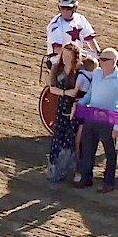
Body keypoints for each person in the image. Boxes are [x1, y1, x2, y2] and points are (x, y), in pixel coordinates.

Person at [73, 48, 118, 193]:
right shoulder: (97, 74)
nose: (100, 62)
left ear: (113, 62)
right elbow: (91, 94)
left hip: (109, 121)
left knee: (109, 152)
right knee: (87, 148)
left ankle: (108, 182)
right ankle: (86, 178)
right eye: (100, 58)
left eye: (103, 60)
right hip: (92, 116)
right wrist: (80, 104)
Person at [46, 42, 82, 182]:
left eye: (69, 56)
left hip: (74, 108)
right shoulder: (57, 68)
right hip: (62, 106)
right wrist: (67, 93)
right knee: (58, 136)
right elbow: (52, 88)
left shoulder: (79, 70)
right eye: (64, 55)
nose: (66, 58)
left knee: (70, 138)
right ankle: (54, 167)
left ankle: (68, 166)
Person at [46, 0, 101, 67]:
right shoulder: (55, 25)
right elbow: (57, 49)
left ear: (74, 8)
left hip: (76, 58)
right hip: (58, 60)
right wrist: (78, 56)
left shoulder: (80, 19)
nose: (65, 11)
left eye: (68, 8)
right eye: (62, 8)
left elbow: (90, 39)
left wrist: (98, 53)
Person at [72, 56, 99, 182]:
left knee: (78, 141)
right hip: (92, 109)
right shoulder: (97, 77)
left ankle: (78, 166)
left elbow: (75, 91)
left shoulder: (81, 76)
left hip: (80, 108)